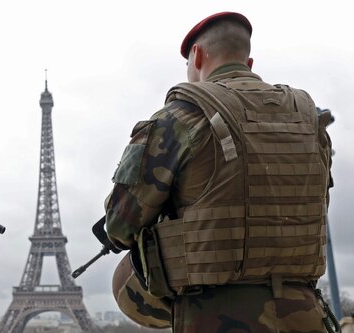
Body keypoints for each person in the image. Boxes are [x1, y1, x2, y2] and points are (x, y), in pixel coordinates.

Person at [105, 12, 335, 333]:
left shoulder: (181, 116)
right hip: (304, 312)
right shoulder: (309, 120)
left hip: (217, 315)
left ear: (197, 57)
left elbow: (120, 224)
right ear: (249, 63)